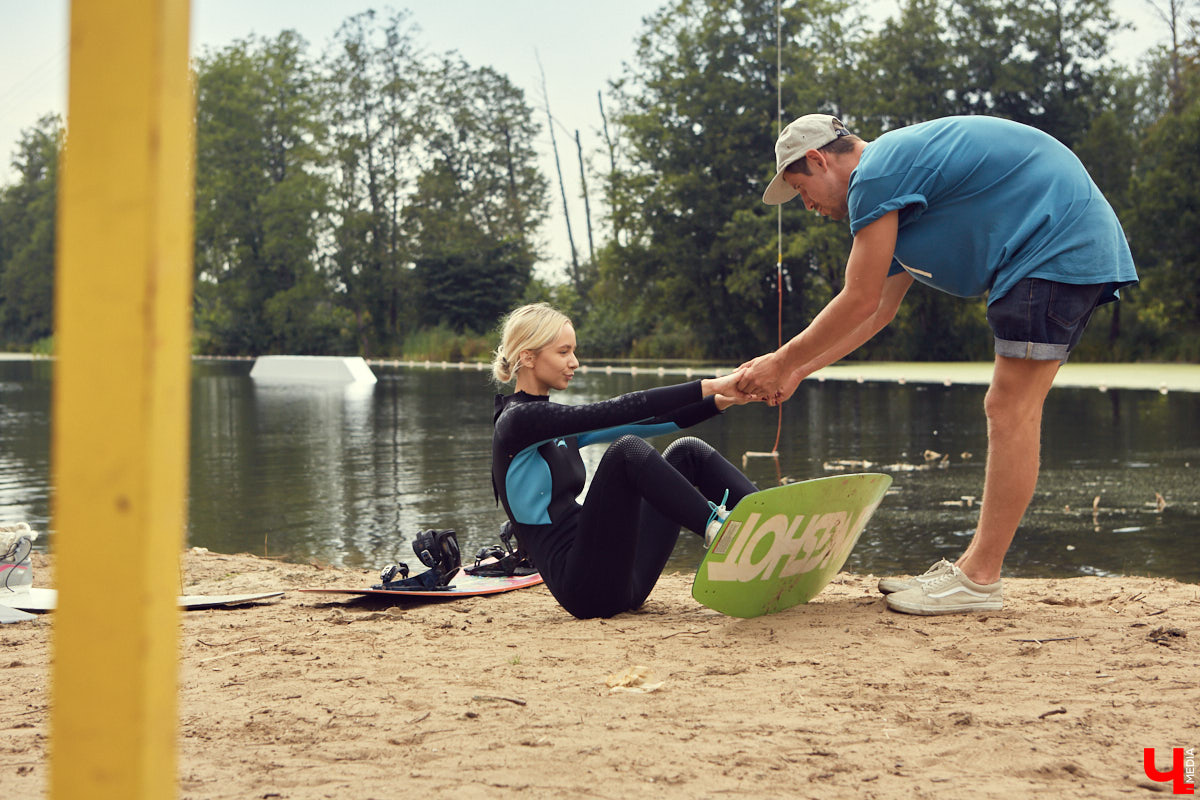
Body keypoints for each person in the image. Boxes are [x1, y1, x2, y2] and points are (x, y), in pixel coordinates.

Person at [740, 114, 1138, 615]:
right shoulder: (894, 190)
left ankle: (979, 578)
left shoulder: (876, 175)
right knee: (1010, 405)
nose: (809, 206)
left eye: (802, 188)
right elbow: (879, 312)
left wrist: (779, 361)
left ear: (819, 159)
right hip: (1057, 246)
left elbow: (858, 299)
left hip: (1053, 244)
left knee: (1009, 407)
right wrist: (797, 371)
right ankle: (971, 569)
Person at [491, 303, 760, 619]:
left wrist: (720, 401)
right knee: (626, 451)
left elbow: (646, 421)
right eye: (563, 352)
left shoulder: (553, 422)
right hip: (585, 590)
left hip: (626, 579)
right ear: (527, 356)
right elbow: (622, 408)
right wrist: (712, 384)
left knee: (687, 453)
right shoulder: (516, 423)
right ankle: (720, 531)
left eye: (573, 352)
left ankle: (772, 520)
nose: (574, 362)